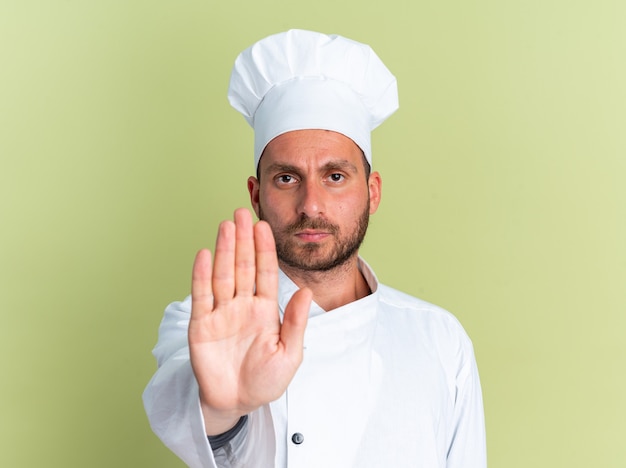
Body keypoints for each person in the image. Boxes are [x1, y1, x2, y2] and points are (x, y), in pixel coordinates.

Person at [143, 29, 486, 468]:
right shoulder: (206, 323)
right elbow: (180, 405)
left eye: (335, 176)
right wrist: (223, 411)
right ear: (256, 194)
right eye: (286, 178)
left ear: (372, 191)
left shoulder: (441, 340)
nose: (311, 205)